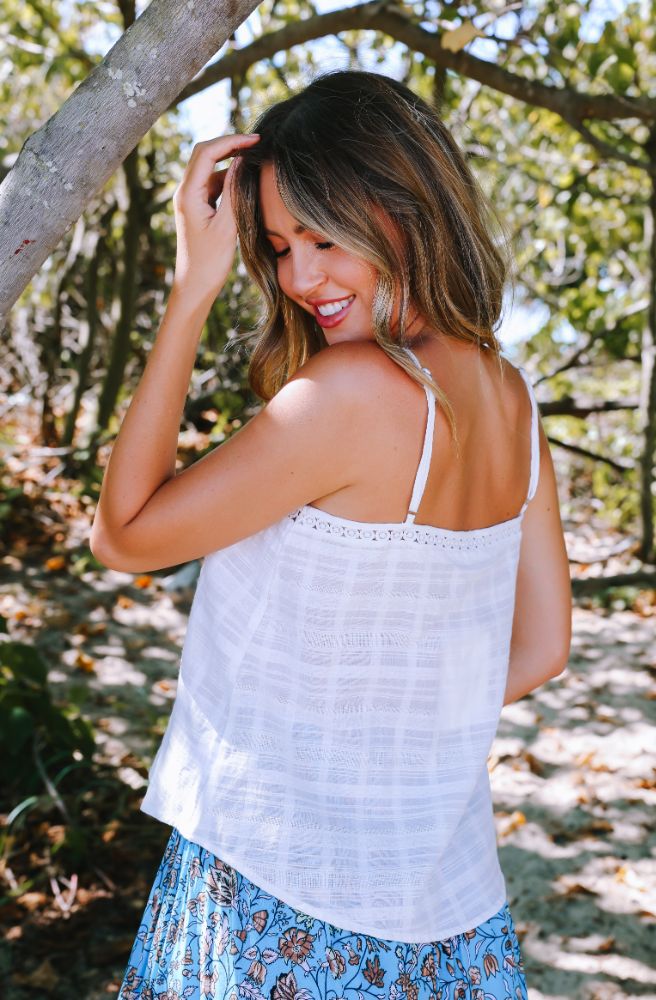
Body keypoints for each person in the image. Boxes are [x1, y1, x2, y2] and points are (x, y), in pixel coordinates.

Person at [91, 69, 572, 1000]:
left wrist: (191, 294)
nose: (300, 277)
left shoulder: (349, 398)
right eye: (274, 245)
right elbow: (544, 647)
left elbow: (124, 535)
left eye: (323, 236)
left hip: (282, 900)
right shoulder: (511, 396)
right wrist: (392, 718)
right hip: (454, 917)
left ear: (404, 210)